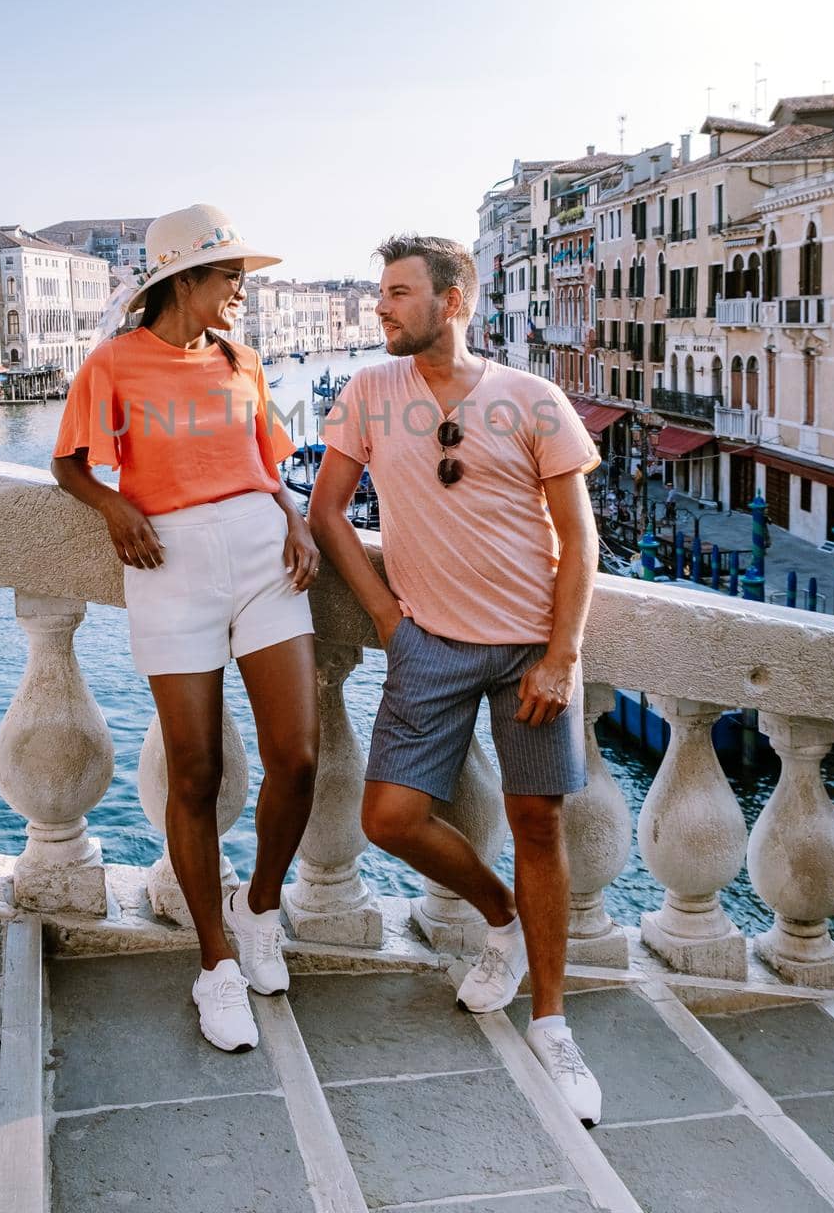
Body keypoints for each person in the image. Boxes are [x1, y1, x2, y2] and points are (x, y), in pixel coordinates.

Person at [309, 233, 603, 1126]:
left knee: (536, 822)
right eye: (379, 293)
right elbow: (325, 510)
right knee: (388, 818)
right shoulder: (367, 392)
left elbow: (577, 536)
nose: (381, 307)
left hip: (528, 649)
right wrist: (390, 620)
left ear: (454, 299)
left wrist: (561, 653)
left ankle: (552, 1022)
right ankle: (501, 918)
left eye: (398, 293)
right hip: (426, 645)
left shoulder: (531, 399)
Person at [51, 204, 319, 1055]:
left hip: (261, 551)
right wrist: (112, 505)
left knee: (299, 755)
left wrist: (296, 516)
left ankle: (260, 907)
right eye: (229, 274)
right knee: (194, 768)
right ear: (182, 279)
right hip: (168, 565)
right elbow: (67, 463)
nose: (242, 288)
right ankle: (214, 965)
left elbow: (266, 462)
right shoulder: (113, 364)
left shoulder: (242, 359)